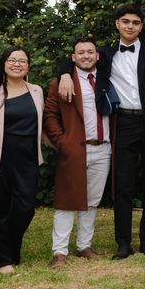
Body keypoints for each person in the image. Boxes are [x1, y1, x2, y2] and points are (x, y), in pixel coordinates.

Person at [58, 3, 145, 260]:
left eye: (135, 22)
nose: (130, 26)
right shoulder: (105, 54)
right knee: (123, 185)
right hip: (123, 124)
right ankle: (123, 243)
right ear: (117, 24)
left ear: (141, 26)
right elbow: (74, 60)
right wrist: (65, 75)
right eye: (125, 21)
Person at [0, 46, 44, 274]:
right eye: (12, 60)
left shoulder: (36, 91)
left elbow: (41, 125)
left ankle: (6, 251)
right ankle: (2, 259)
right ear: (4, 63)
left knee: (25, 208)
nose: (17, 64)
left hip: (27, 158)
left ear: (28, 66)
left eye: (22, 60)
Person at [44, 38, 112, 268]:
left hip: (102, 148)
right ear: (72, 57)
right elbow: (50, 115)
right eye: (80, 52)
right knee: (66, 201)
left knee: (92, 201)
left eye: (90, 52)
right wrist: (62, 142)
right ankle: (59, 251)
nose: (86, 56)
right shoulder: (62, 82)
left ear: (97, 56)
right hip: (74, 148)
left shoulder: (106, 79)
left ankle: (84, 245)